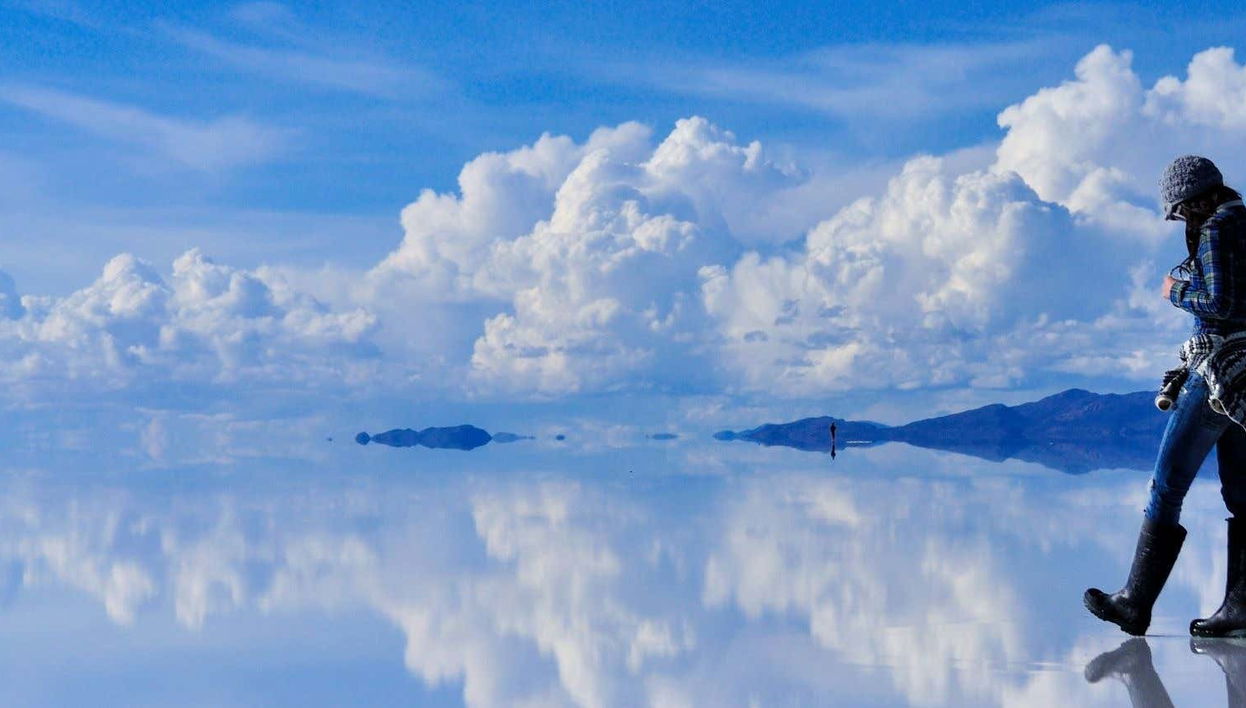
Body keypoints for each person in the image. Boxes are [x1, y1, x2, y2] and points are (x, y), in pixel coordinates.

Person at [1085, 155, 1246, 637]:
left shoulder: (1217, 229)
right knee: (1242, 493)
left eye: (1178, 211)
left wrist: (1175, 291)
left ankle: (1135, 603)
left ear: (1193, 201)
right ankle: (1240, 610)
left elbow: (1220, 302)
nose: (1179, 220)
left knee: (1167, 483)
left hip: (1217, 369)